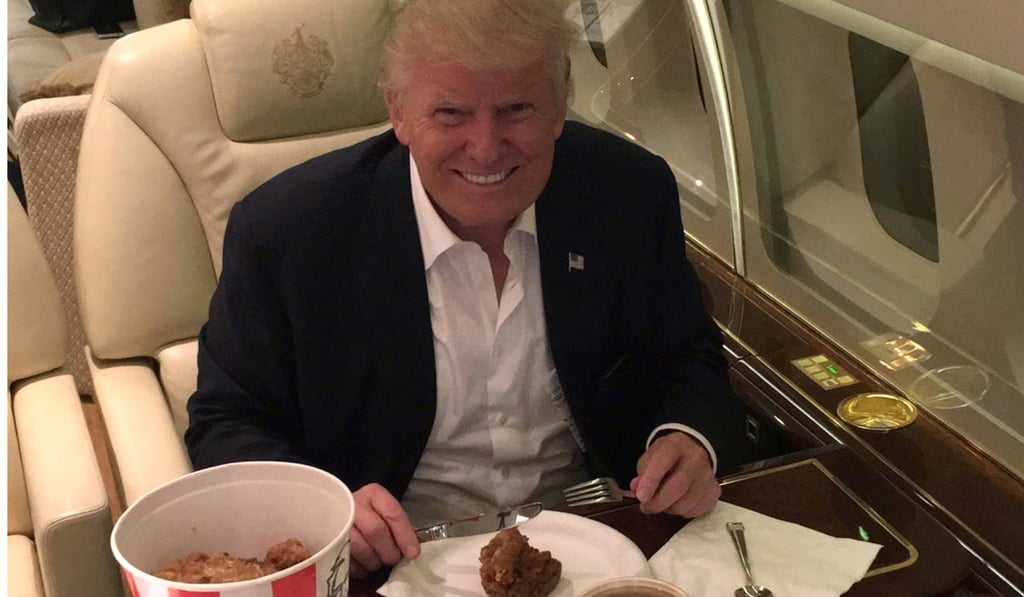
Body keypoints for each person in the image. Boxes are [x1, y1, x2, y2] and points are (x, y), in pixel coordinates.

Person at [185, 0, 750, 579]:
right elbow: (227, 422)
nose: (485, 147)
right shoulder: (288, 231)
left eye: (516, 109)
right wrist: (325, 511)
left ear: (560, 107)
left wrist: (688, 437)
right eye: (451, 113)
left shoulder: (628, 192)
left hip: (597, 543)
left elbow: (688, 356)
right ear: (399, 114)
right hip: (390, 562)